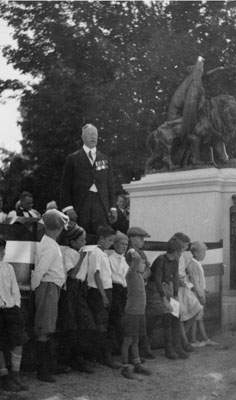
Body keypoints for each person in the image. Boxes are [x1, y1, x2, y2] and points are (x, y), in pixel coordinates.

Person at [31, 209, 69, 382]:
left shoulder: (49, 243)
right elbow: (40, 270)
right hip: (47, 287)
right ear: (59, 228)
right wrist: (36, 288)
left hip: (52, 287)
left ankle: (49, 366)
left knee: (48, 327)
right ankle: (43, 371)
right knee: (43, 328)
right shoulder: (49, 246)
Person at [60, 124, 117, 239]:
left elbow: (110, 186)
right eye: (90, 134)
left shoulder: (105, 159)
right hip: (81, 205)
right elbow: (64, 186)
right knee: (80, 237)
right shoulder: (72, 158)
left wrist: (113, 208)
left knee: (100, 237)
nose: (93, 137)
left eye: (95, 134)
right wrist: (68, 208)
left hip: (101, 205)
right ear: (83, 137)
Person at [60, 222, 96, 373]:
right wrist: (81, 258)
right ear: (72, 242)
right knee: (72, 325)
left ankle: (79, 358)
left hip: (81, 289)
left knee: (87, 324)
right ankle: (75, 360)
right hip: (71, 288)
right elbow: (73, 274)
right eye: (81, 240)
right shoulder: (69, 253)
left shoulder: (82, 253)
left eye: (85, 240)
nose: (84, 242)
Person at [149, 236, 189, 360]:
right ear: (176, 252)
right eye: (181, 252)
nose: (181, 254)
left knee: (175, 318)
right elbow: (157, 280)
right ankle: (168, 348)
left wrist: (176, 295)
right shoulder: (161, 260)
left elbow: (175, 277)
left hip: (168, 289)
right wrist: (164, 299)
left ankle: (177, 347)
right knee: (167, 319)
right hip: (156, 291)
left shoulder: (175, 261)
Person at [87, 225, 120, 369]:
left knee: (104, 324)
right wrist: (103, 295)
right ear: (101, 238)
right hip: (99, 292)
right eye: (109, 240)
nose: (111, 243)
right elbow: (96, 274)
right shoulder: (95, 252)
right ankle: (103, 357)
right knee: (100, 325)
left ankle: (103, 355)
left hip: (107, 290)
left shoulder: (103, 252)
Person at [0, 235, 28, 392]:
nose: (2, 252)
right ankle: (4, 377)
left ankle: (15, 375)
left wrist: (15, 306)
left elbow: (15, 291)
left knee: (19, 340)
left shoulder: (8, 268)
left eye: (3, 249)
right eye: (0, 249)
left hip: (11, 309)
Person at [120, 249, 151, 379]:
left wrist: (145, 263)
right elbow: (136, 259)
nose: (143, 265)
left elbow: (147, 267)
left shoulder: (139, 275)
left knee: (136, 340)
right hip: (132, 314)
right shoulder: (131, 274)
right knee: (128, 340)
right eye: (141, 263)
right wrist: (132, 250)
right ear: (134, 264)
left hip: (139, 313)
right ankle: (125, 367)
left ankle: (137, 364)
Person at [127, 226, 154, 359]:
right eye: (140, 238)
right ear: (131, 238)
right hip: (131, 290)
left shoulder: (141, 253)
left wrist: (144, 273)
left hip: (141, 288)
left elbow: (148, 271)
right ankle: (132, 355)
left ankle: (141, 350)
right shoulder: (130, 252)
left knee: (141, 321)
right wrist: (143, 273)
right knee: (131, 326)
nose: (143, 240)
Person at [173, 232, 203, 352]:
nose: (185, 248)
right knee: (179, 315)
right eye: (183, 245)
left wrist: (188, 282)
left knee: (197, 307)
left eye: (186, 246)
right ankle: (184, 342)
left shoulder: (184, 256)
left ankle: (181, 337)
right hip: (175, 288)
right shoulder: (172, 255)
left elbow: (186, 271)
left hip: (184, 287)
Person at [188, 241, 218, 347]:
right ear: (195, 253)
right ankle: (194, 340)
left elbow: (199, 282)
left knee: (199, 318)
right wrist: (200, 296)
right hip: (196, 296)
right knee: (196, 318)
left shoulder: (197, 264)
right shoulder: (193, 265)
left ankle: (203, 339)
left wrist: (203, 290)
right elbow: (195, 283)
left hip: (200, 294)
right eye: (203, 252)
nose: (204, 254)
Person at [109, 231, 129, 351]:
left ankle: (127, 350)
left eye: (126, 244)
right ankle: (123, 350)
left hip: (125, 291)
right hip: (115, 290)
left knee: (125, 320)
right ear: (115, 244)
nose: (124, 246)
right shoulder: (110, 259)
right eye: (122, 243)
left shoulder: (126, 260)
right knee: (118, 320)